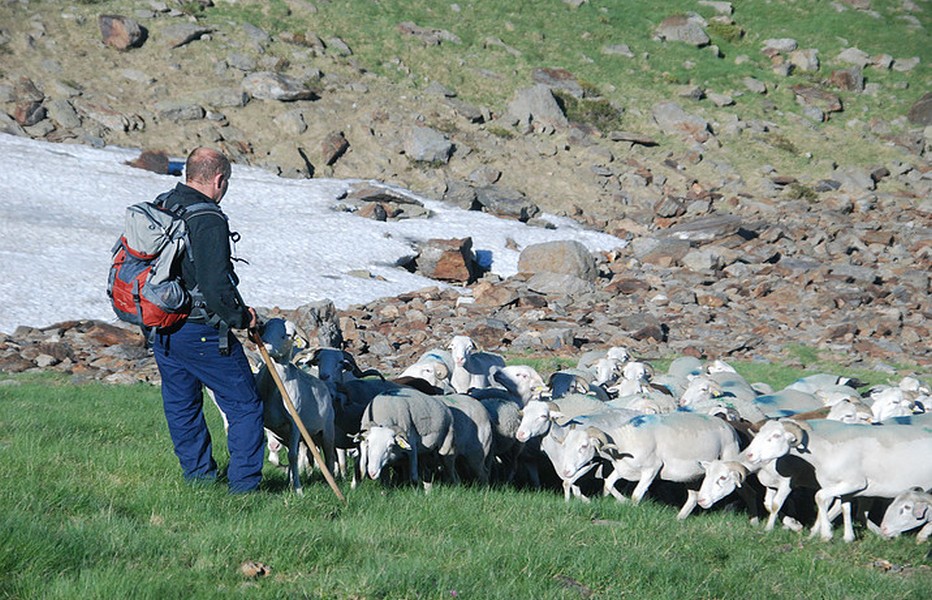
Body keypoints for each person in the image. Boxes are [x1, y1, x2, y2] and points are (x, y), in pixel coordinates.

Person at [151, 147, 265, 494]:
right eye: (226, 182)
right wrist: (241, 317)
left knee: (182, 405)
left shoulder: (164, 204)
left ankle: (198, 480)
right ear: (219, 179)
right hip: (201, 329)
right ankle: (244, 489)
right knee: (245, 405)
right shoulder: (208, 218)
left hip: (163, 326)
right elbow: (216, 285)